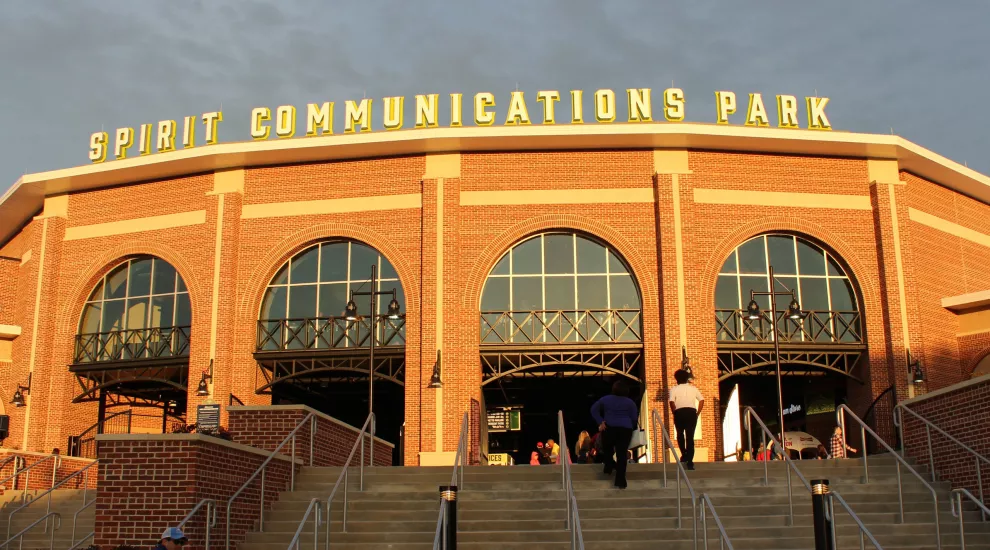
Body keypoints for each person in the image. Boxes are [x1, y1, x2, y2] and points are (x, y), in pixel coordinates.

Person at [591, 380, 640, 489]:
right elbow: (634, 418)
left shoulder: (606, 399)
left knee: (607, 449)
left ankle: (609, 466)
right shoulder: (630, 402)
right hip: (625, 429)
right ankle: (620, 480)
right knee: (622, 454)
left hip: (609, 427)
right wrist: (631, 427)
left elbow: (593, 409)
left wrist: (600, 421)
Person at [668, 369, 704, 470]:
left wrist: (674, 412)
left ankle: (684, 454)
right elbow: (701, 400)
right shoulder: (693, 389)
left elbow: (671, 402)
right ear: (687, 378)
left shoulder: (674, 389)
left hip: (679, 412)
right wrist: (698, 413)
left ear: (676, 379)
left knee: (680, 434)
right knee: (690, 437)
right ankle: (690, 461)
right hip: (691, 412)